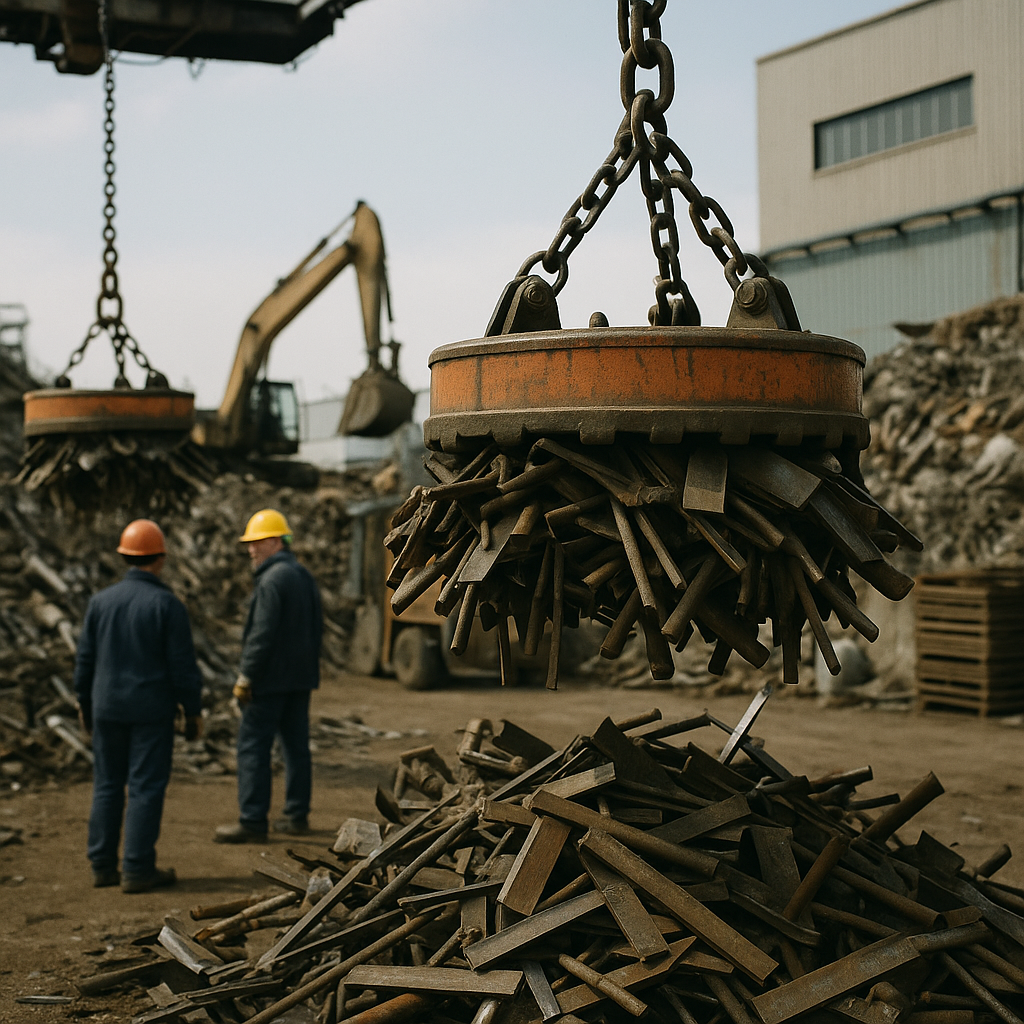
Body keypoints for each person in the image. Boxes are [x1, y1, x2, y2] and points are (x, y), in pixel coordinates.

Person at [74, 519, 203, 893]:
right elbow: (183, 668)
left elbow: (85, 660)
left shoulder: (100, 602)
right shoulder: (167, 605)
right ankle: (136, 868)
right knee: (145, 787)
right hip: (151, 711)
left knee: (107, 784)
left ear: (124, 556)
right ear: (160, 559)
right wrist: (193, 711)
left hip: (107, 708)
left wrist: (84, 701)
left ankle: (101, 865)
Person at [215, 509, 322, 844]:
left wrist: (246, 676)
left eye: (256, 542)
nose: (250, 550)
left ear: (276, 541)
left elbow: (261, 635)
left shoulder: (272, 580)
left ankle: (252, 820)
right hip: (299, 679)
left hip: (270, 681)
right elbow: (315, 629)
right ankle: (296, 815)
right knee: (295, 748)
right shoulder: (302, 575)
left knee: (252, 747)